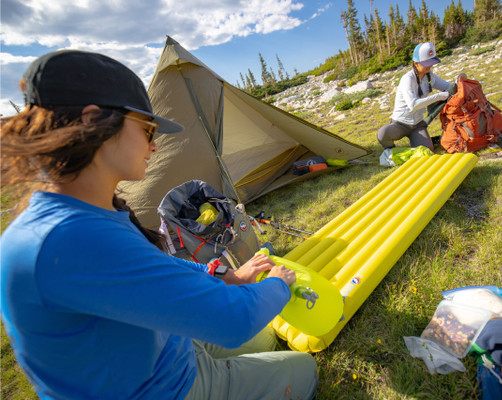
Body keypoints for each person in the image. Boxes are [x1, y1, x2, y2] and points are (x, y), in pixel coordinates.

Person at [0, 50, 318, 400]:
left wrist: (225, 276)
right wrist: (277, 284)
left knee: (268, 337)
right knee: (303, 369)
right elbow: (233, 321)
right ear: (93, 123)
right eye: (147, 129)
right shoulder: (68, 239)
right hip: (163, 389)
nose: (153, 145)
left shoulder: (77, 215)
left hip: (157, 351)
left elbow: (151, 268)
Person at [377, 42, 461, 151]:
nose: (430, 66)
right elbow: (413, 105)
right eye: (427, 64)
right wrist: (439, 96)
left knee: (427, 151)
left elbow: (447, 86)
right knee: (382, 134)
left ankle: (420, 140)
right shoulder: (408, 79)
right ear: (416, 63)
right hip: (400, 124)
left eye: (431, 62)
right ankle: (389, 150)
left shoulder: (429, 75)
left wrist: (459, 80)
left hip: (417, 125)